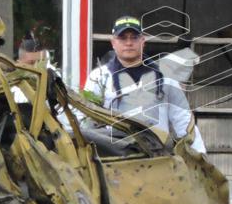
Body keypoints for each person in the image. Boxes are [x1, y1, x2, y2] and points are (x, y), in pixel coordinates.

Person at [84, 15, 206, 153]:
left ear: (143, 41)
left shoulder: (165, 78)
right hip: (114, 158)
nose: (129, 43)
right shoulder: (99, 77)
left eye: (134, 38)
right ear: (113, 42)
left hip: (157, 157)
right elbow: (85, 121)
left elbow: (183, 121)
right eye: (123, 38)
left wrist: (200, 156)